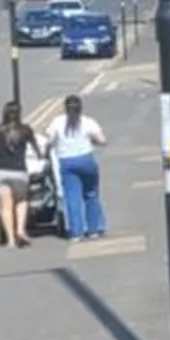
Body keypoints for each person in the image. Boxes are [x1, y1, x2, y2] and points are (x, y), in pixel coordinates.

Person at [46, 96, 108, 241]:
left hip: (67, 162)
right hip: (86, 160)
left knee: (72, 197)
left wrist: (48, 150)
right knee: (91, 195)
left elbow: (49, 141)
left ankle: (77, 233)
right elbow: (102, 140)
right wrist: (92, 140)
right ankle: (94, 230)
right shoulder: (87, 122)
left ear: (65, 108)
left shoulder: (57, 122)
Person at [0, 102, 39, 248]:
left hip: (0, 171)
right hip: (18, 171)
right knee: (22, 200)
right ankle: (20, 230)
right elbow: (37, 149)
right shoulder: (25, 130)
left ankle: (10, 240)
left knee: (6, 206)